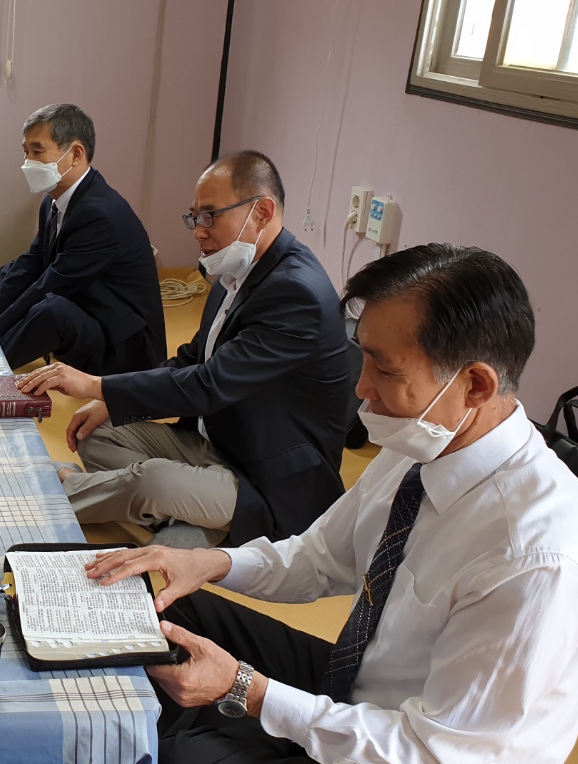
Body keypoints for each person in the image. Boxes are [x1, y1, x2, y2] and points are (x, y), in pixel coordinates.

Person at [84, 244, 578, 764]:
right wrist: (204, 561)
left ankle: (201, 737)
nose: (362, 387)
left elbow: (434, 750)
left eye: (383, 367)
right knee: (166, 600)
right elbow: (318, 557)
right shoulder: (422, 442)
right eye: (363, 356)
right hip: (360, 687)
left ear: (473, 384)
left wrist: (248, 690)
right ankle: (196, 724)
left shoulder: (538, 557)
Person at [19, 151, 347, 547]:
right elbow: (192, 359)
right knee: (97, 431)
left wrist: (96, 385)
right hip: (214, 443)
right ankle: (190, 518)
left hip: (264, 478)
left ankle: (44, 495)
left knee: (153, 480)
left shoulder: (296, 293)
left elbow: (209, 384)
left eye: (210, 216)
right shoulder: (236, 272)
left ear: (261, 212)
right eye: (194, 217)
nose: (198, 232)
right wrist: (111, 400)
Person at [0, 103, 164, 376]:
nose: (28, 162)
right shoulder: (53, 201)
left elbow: (54, 282)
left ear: (76, 154)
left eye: (37, 151)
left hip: (124, 349)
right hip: (93, 315)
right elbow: (33, 262)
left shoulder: (99, 214)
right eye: (26, 152)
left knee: (52, 311)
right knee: (10, 271)